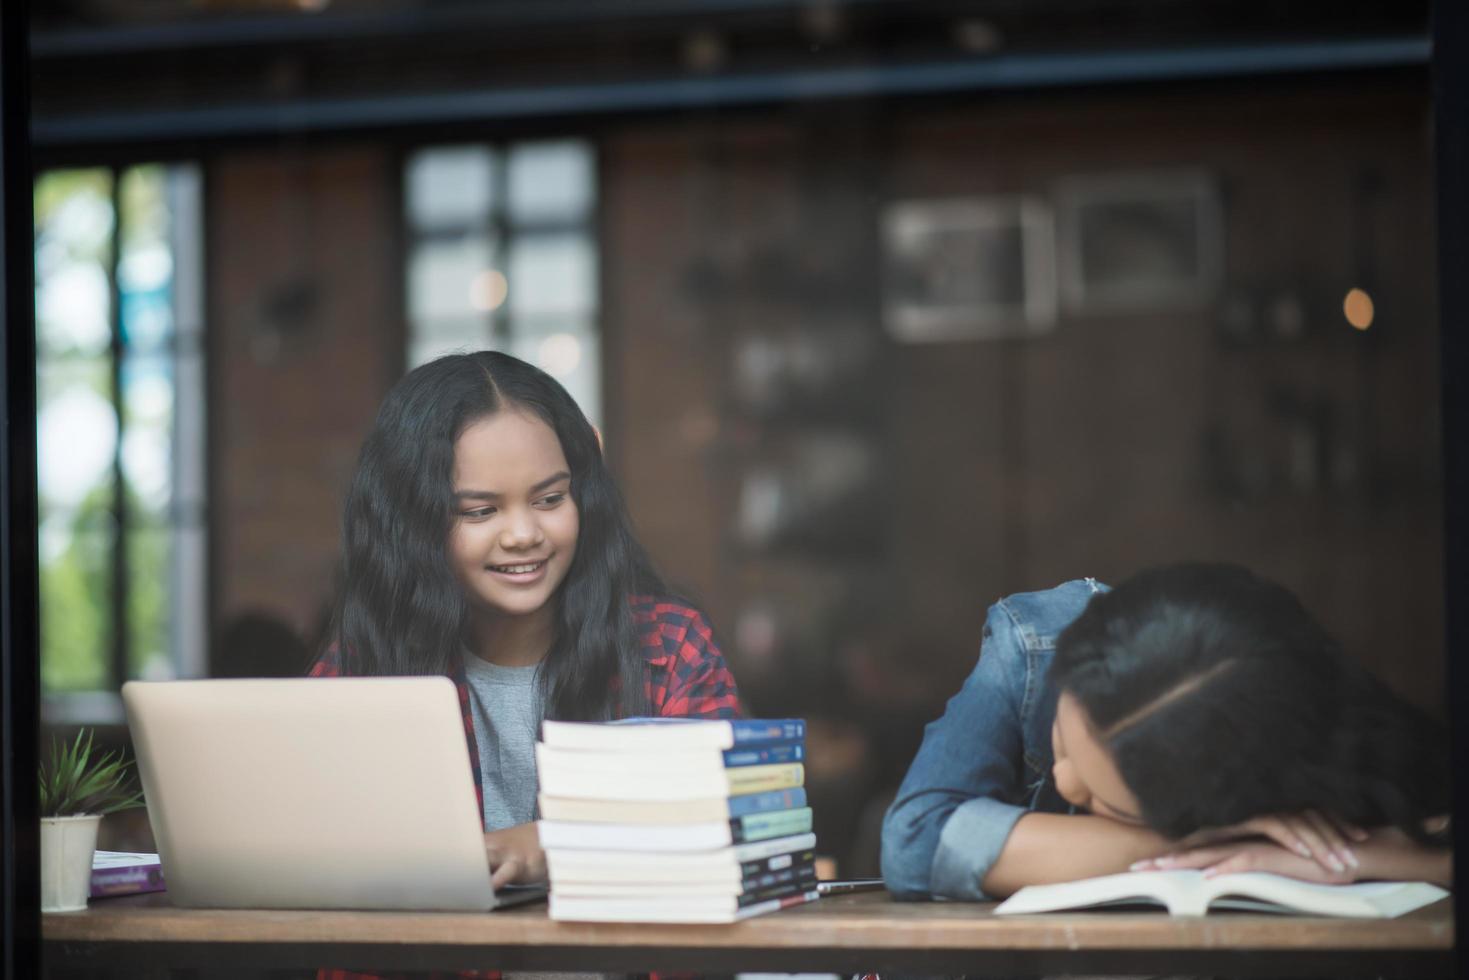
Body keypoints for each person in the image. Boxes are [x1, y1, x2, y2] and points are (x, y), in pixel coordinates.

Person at [311, 350, 743, 898]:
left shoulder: (669, 647)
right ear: (412, 524)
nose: (523, 534)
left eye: (549, 498)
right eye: (479, 511)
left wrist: (554, 842)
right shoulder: (361, 665)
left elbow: (729, 822)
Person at [880, 563, 1451, 902]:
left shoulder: (1287, 738)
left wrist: (1367, 854)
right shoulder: (1038, 643)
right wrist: (1211, 844)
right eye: (1061, 739)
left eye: (1103, 799)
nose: (1063, 780)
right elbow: (916, 840)